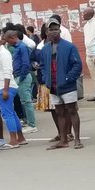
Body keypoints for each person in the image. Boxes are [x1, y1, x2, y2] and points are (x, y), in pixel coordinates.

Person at [35, 18, 83, 149]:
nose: (54, 32)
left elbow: (77, 65)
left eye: (56, 29)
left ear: (60, 30)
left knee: (72, 111)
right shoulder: (45, 49)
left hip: (67, 86)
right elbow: (43, 66)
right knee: (59, 112)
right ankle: (63, 140)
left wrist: (68, 78)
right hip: (53, 86)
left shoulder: (69, 46)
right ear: (47, 31)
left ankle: (77, 139)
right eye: (51, 29)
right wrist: (46, 79)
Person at [0, 31, 25, 149]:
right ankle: (20, 137)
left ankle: (13, 140)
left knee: (7, 114)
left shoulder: (3, 53)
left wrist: (4, 90)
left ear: (0, 41)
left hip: (6, 87)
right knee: (12, 113)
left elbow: (7, 71)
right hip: (1, 87)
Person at [5, 28, 37, 131]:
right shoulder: (17, 47)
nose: (8, 43)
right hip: (19, 76)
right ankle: (29, 122)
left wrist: (21, 77)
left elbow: (25, 63)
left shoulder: (22, 47)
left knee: (26, 101)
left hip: (22, 76)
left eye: (8, 40)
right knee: (24, 101)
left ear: (13, 38)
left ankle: (32, 125)